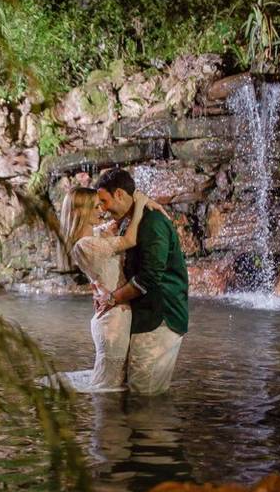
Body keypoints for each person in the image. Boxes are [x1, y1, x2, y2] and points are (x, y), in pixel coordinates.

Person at [45, 185, 167, 392]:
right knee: (108, 389)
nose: (101, 210)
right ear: (79, 212)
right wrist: (139, 207)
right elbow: (130, 239)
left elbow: (118, 221)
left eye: (101, 204)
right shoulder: (86, 245)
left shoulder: (94, 235)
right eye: (95, 206)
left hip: (115, 314)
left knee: (114, 383)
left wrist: (145, 203)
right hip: (113, 321)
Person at [94, 169, 188, 395]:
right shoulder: (129, 221)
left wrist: (112, 298)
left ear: (119, 194)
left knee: (144, 393)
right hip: (144, 316)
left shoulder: (153, 223)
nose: (103, 209)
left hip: (160, 317)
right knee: (135, 390)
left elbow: (150, 277)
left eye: (104, 201)